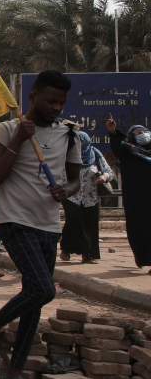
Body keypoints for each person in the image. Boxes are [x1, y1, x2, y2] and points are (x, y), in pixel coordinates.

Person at [0, 71, 81, 379]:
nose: (56, 107)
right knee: (43, 289)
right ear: (33, 97)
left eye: (61, 102)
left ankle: (15, 371)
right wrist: (19, 138)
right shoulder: (5, 130)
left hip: (49, 224)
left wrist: (67, 190)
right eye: (50, 101)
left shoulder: (70, 135)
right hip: (16, 222)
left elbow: (76, 179)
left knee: (35, 298)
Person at [59, 130, 113, 264]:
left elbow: (109, 172)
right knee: (73, 223)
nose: (80, 146)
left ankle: (87, 255)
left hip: (91, 197)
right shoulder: (67, 154)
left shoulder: (95, 153)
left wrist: (103, 177)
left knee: (90, 225)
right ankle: (66, 249)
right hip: (71, 196)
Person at [105, 115, 151, 268]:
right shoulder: (128, 152)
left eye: (143, 132)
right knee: (139, 231)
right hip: (135, 201)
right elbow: (118, 146)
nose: (142, 135)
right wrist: (112, 132)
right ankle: (141, 256)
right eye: (137, 133)